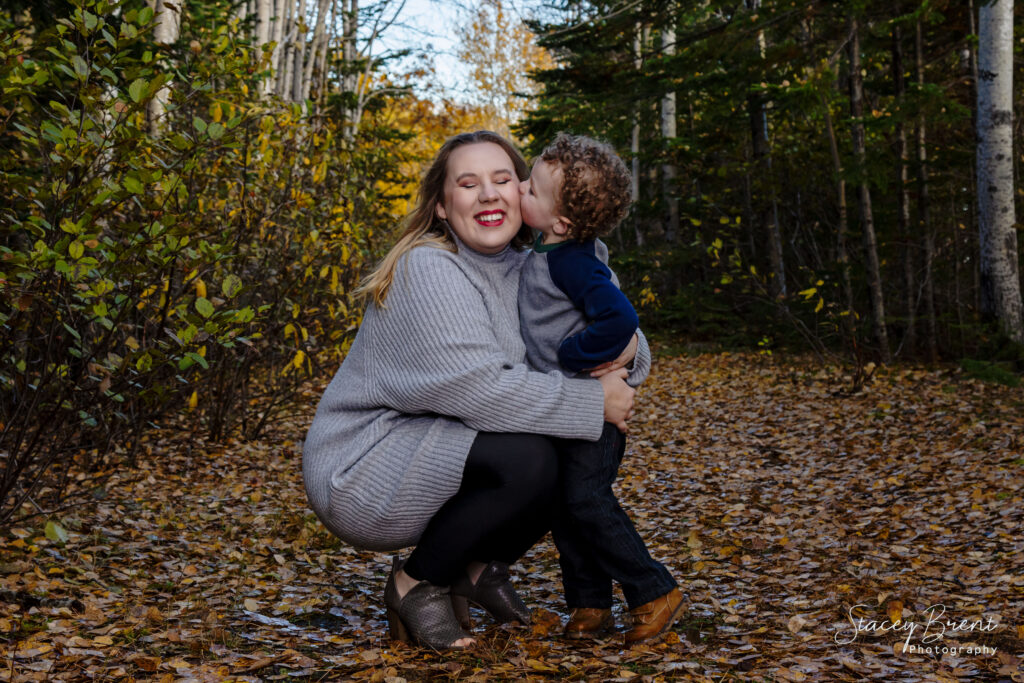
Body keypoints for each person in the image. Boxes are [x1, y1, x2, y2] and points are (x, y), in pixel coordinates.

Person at [302, 131, 647, 650]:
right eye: (468, 184)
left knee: (566, 446)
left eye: (502, 179)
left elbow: (624, 339)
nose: (488, 194)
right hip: (367, 462)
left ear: (527, 194)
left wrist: (627, 356)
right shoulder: (429, 267)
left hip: (441, 437)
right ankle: (415, 583)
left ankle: (477, 568)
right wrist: (595, 399)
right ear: (442, 206)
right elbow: (480, 390)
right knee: (531, 455)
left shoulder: (540, 264)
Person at [517, 133, 683, 644]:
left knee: (586, 499)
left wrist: (576, 355)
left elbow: (620, 318)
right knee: (566, 509)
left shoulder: (574, 262)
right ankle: (589, 605)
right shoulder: (549, 245)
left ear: (561, 222)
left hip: (594, 414)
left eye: (531, 189)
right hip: (569, 411)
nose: (520, 189)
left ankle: (653, 590)